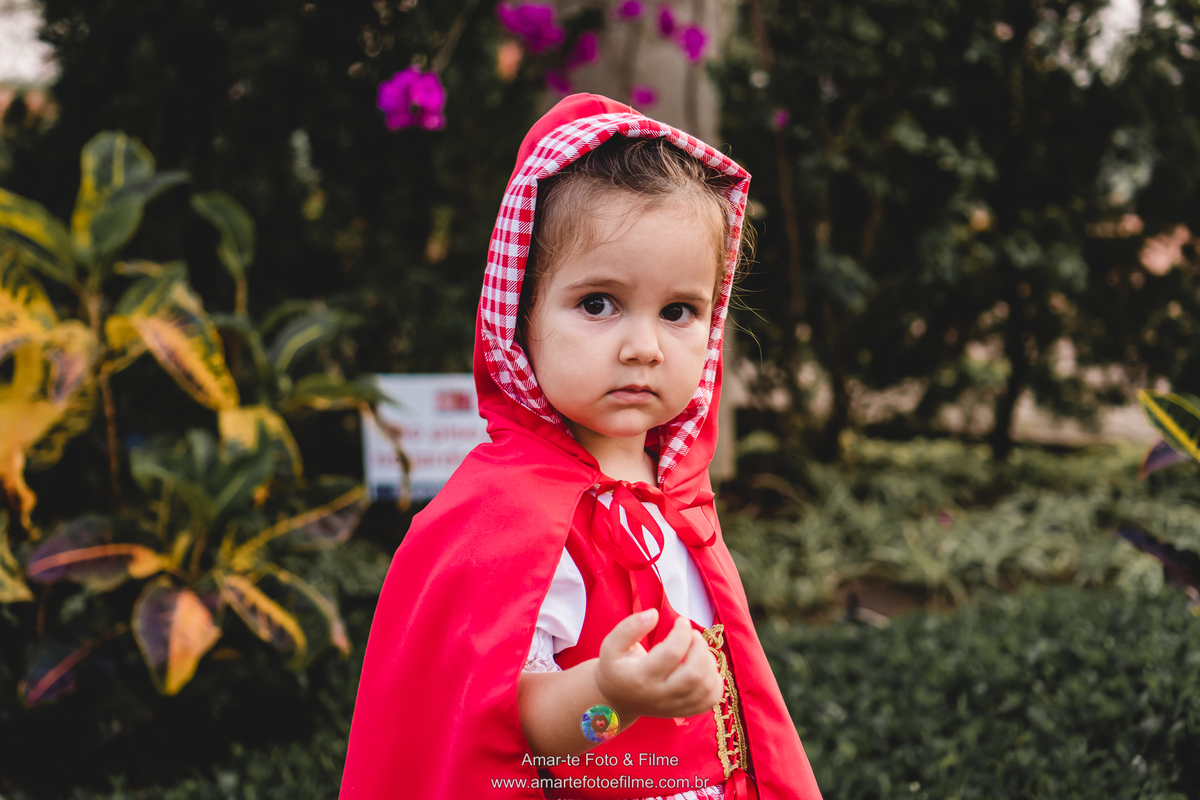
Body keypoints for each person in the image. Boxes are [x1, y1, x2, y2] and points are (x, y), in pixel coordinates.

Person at [340, 93, 822, 800]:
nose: (643, 348)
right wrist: (610, 694)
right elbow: (521, 724)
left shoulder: (672, 490)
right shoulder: (508, 518)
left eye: (678, 311)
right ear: (521, 314)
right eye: (598, 303)